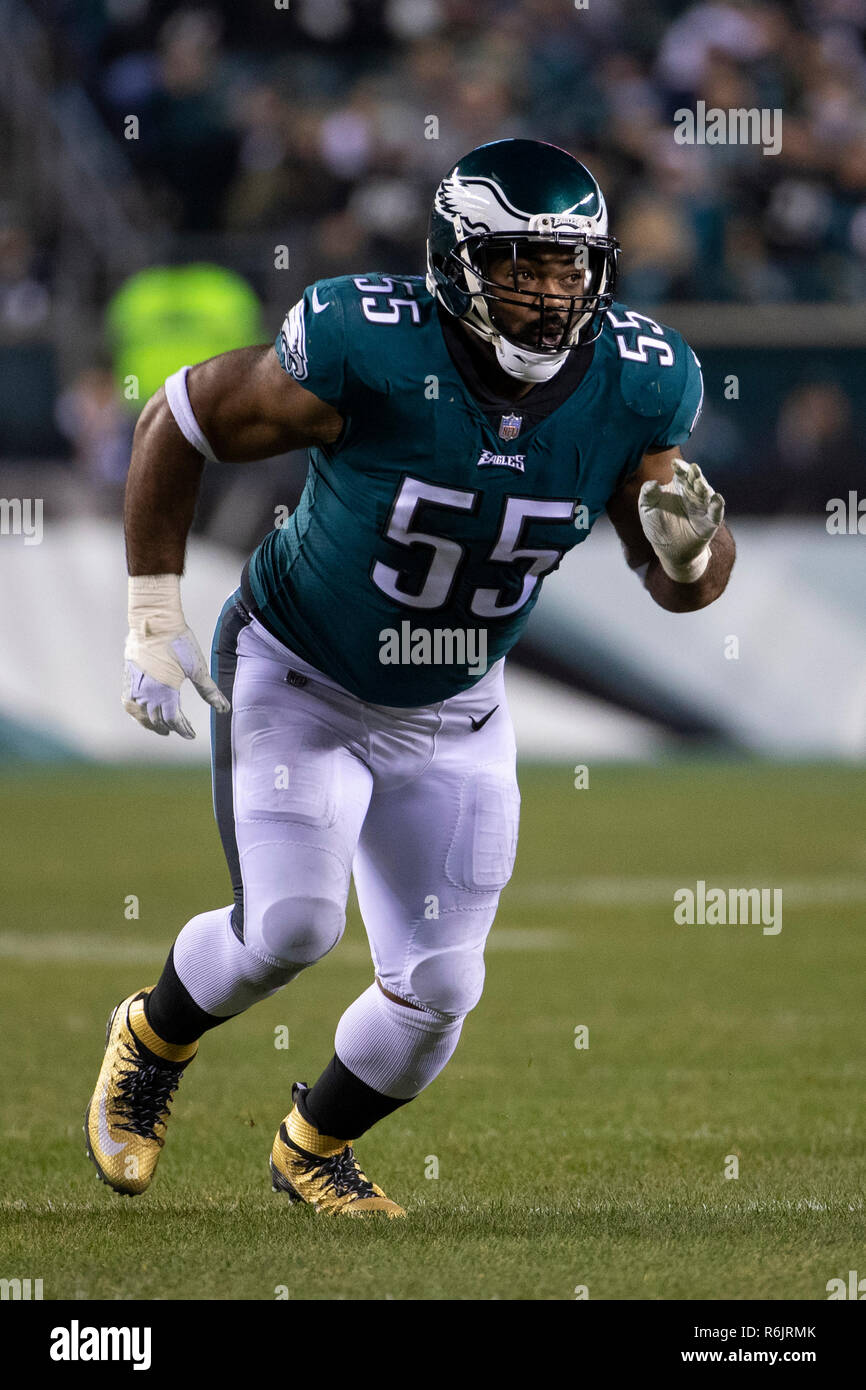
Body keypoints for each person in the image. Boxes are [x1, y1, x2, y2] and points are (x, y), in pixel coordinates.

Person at [85, 139, 734, 1217]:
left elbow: (680, 585)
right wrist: (153, 611)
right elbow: (180, 417)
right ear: (458, 262)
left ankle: (311, 1146)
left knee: (440, 990)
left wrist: (692, 555)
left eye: (570, 267)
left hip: (455, 707)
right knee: (288, 928)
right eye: (523, 263)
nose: (549, 293)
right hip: (301, 672)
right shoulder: (366, 345)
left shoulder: (639, 381)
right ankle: (151, 1038)